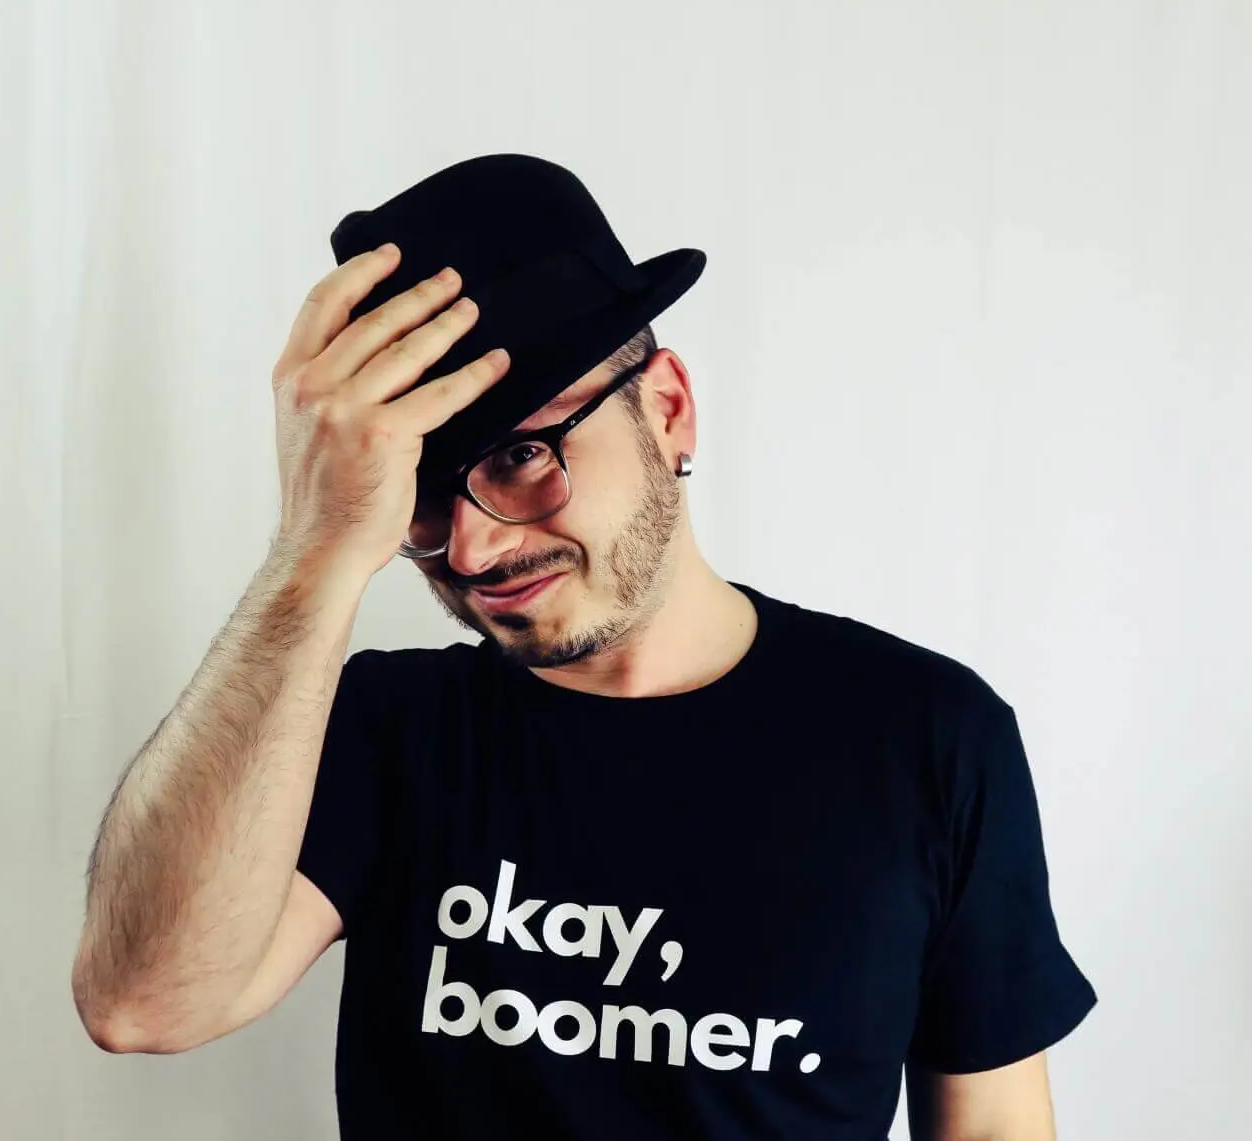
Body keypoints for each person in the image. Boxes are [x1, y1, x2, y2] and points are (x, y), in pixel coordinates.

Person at [71, 154, 1097, 1140]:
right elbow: (143, 1003)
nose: (470, 548)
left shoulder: (923, 735)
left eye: (521, 454)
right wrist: (315, 549)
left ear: (668, 408)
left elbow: (992, 1122)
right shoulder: (379, 729)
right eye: (420, 493)